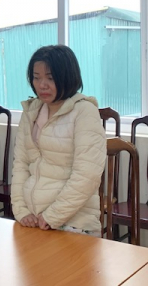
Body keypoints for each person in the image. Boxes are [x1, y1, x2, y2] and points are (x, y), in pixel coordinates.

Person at [11, 44, 106, 236]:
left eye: (50, 78)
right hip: (33, 220)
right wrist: (21, 211)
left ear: (67, 77)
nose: (42, 85)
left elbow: (87, 176)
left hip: (74, 224)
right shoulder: (31, 111)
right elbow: (21, 164)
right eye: (36, 77)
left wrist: (52, 216)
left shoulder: (84, 111)